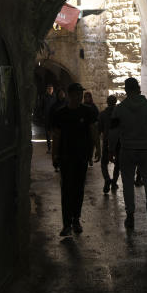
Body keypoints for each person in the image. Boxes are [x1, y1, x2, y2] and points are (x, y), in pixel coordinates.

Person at [109, 77, 147, 229]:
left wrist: (111, 149)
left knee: (128, 182)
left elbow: (113, 132)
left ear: (125, 90)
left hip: (128, 149)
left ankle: (130, 214)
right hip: (146, 148)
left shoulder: (120, 108)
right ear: (138, 88)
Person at [51, 83, 100, 237]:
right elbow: (57, 135)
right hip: (66, 156)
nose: (79, 96)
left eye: (80, 94)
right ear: (70, 95)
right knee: (66, 190)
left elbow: (93, 130)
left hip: (81, 156)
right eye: (77, 94)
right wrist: (54, 154)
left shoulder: (87, 112)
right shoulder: (61, 113)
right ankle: (67, 224)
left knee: (79, 188)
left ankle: (76, 220)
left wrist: (97, 147)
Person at [98, 94, 121, 194]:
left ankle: (107, 179)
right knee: (118, 163)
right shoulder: (119, 113)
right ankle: (114, 182)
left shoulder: (102, 114)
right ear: (115, 102)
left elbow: (99, 129)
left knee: (104, 163)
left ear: (107, 102)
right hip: (118, 140)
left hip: (107, 140)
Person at [49, 88, 67, 171]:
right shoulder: (54, 106)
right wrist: (52, 128)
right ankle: (56, 164)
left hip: (65, 129)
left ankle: (62, 163)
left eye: (62, 93)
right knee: (56, 147)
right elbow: (51, 117)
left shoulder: (67, 104)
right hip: (57, 129)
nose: (61, 95)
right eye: (60, 93)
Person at [83, 91, 100, 167]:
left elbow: (97, 116)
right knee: (85, 144)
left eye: (88, 97)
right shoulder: (82, 106)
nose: (87, 98)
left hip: (92, 128)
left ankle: (89, 158)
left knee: (91, 144)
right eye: (85, 97)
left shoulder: (93, 106)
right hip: (85, 128)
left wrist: (96, 122)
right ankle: (86, 158)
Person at [41, 84, 57, 153]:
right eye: (49, 89)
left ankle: (54, 147)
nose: (50, 90)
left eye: (51, 89)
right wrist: (42, 115)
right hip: (47, 117)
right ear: (47, 90)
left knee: (54, 133)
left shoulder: (55, 97)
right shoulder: (44, 97)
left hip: (54, 117)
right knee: (48, 133)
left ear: (53, 90)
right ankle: (49, 148)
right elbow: (41, 106)